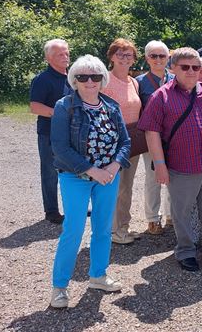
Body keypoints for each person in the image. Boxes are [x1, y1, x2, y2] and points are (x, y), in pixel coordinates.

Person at [138, 47, 202, 272]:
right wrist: (159, 165)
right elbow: (151, 132)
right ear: (173, 68)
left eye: (196, 67)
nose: (191, 71)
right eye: (185, 67)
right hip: (182, 168)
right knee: (182, 212)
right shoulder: (161, 97)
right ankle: (186, 251)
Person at [49, 54, 131, 308]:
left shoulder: (111, 106)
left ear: (102, 79)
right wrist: (92, 170)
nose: (89, 82)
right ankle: (60, 287)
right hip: (76, 177)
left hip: (108, 177)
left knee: (103, 229)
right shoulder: (65, 106)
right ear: (74, 80)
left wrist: (115, 165)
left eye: (95, 77)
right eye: (83, 77)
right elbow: (60, 147)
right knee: (73, 230)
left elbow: (125, 141)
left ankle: (98, 275)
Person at [102, 38, 143, 245]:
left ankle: (122, 226)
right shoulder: (104, 82)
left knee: (127, 185)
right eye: (120, 53)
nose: (125, 58)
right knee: (117, 187)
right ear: (111, 56)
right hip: (113, 143)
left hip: (132, 142)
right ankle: (115, 231)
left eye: (129, 55)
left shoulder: (133, 82)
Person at [30, 39, 71, 224]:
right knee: (50, 172)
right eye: (59, 54)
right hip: (49, 134)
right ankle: (51, 211)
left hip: (72, 134)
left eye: (66, 52)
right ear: (48, 58)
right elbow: (35, 107)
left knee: (72, 171)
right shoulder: (42, 79)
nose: (64, 56)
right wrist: (60, 114)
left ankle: (72, 207)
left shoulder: (72, 77)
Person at [136, 40, 175, 235]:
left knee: (174, 178)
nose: (158, 59)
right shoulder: (139, 82)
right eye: (154, 56)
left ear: (168, 58)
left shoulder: (177, 78)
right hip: (151, 137)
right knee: (153, 178)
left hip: (174, 137)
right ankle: (152, 218)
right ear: (147, 59)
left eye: (162, 56)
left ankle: (171, 215)